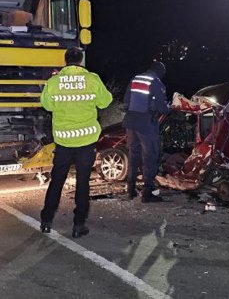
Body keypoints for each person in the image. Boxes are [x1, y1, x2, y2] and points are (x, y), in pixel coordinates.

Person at [39, 47, 113, 238]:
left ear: (65, 61)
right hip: (86, 141)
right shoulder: (92, 79)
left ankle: (46, 220)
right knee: (82, 182)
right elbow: (105, 102)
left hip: (63, 141)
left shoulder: (54, 82)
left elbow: (47, 105)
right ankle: (78, 225)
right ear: (81, 61)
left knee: (57, 180)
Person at [123, 61, 170, 203]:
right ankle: (147, 193)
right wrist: (170, 107)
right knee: (150, 157)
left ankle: (130, 190)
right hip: (146, 124)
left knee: (133, 155)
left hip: (131, 122)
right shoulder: (156, 82)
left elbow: (126, 101)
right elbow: (163, 108)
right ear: (160, 72)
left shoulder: (135, 78)